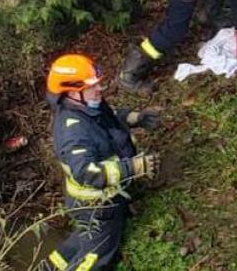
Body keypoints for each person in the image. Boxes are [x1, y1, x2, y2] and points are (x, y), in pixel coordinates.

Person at [44, 54, 162, 271]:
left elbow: (107, 118)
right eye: (93, 86)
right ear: (71, 91)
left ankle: (49, 268)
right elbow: (87, 173)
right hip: (97, 206)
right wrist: (134, 168)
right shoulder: (73, 131)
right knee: (97, 257)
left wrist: (134, 118)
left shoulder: (85, 105)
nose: (100, 89)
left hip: (99, 203)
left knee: (83, 238)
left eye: (98, 83)